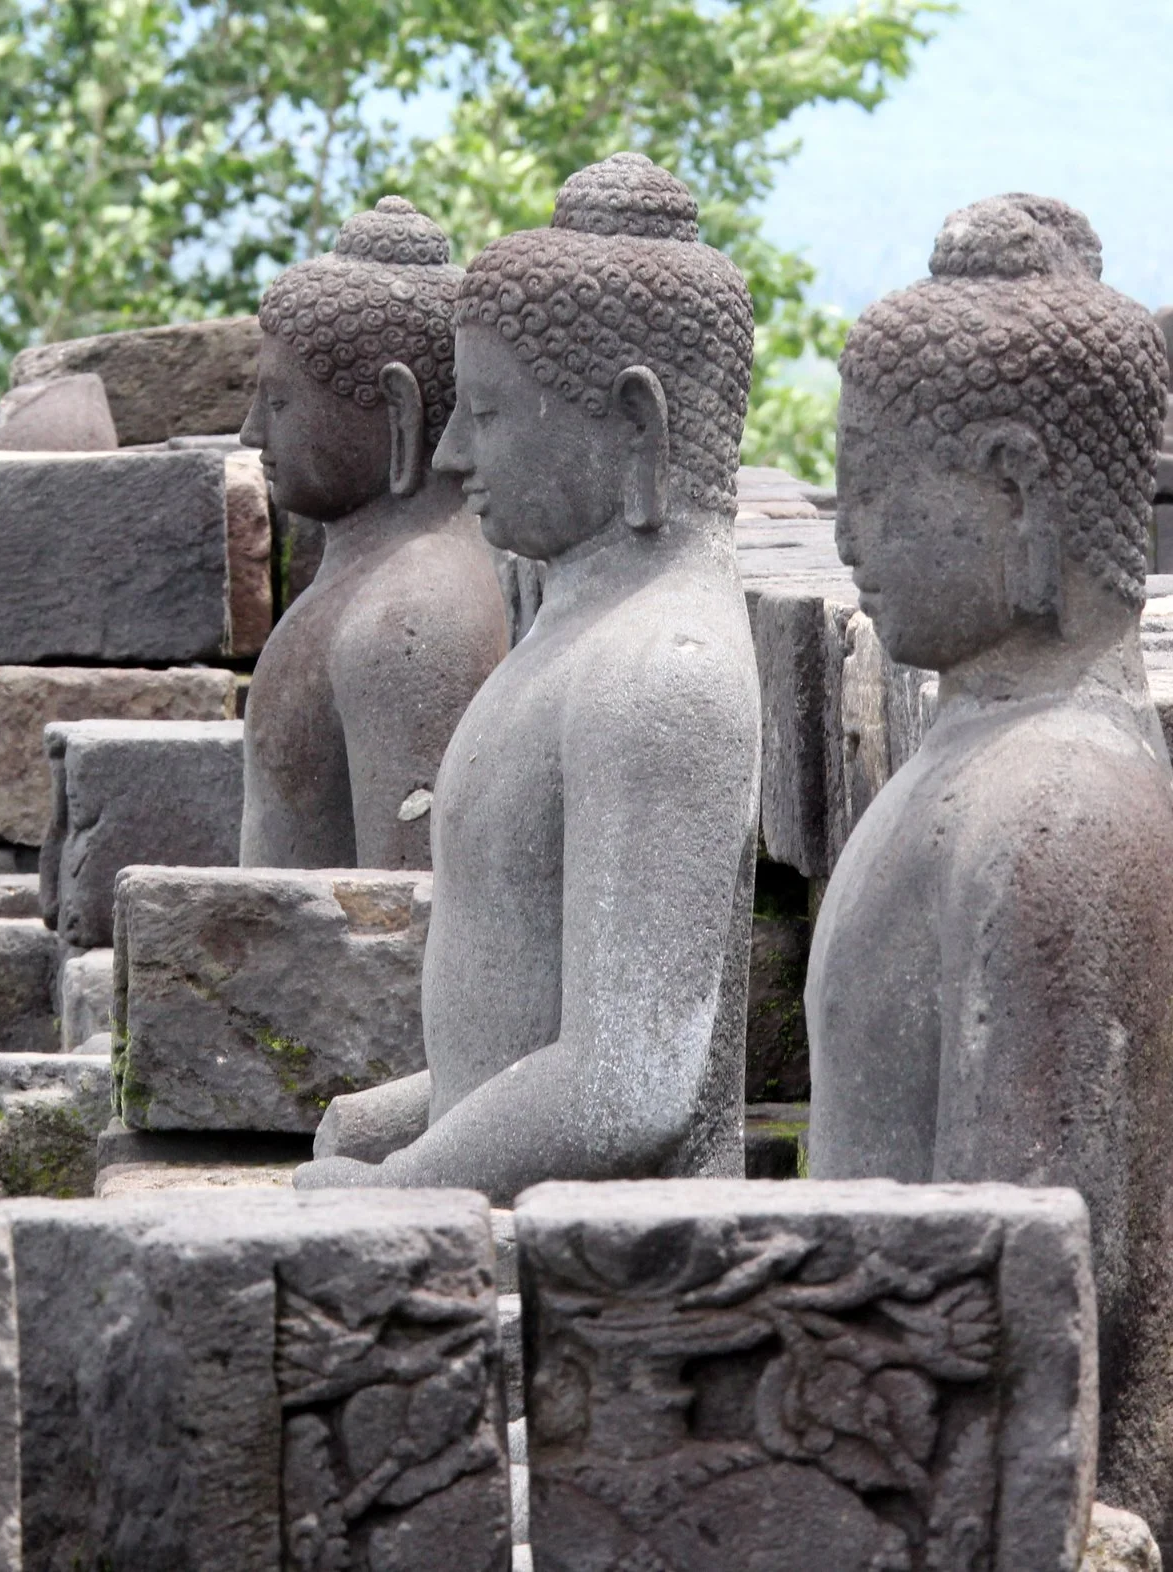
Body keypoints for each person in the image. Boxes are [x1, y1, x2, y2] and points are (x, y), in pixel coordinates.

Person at [806, 192, 1173, 1554]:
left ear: (1018, 485)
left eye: (872, 486)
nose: (842, 532)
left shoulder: (1057, 816)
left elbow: (1011, 1319)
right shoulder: (983, 747)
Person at [295, 154, 760, 1199]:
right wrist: (394, 1120)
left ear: (632, 426)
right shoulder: (575, 629)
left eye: (491, 414)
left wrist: (404, 1182)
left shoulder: (661, 675)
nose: (453, 454)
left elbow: (629, 1086)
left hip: (612, 1282)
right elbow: (521, 1034)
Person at [239, 196, 509, 870]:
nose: (252, 433)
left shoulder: (414, 618)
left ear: (399, 409)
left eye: (278, 402)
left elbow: (401, 920)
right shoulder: (372, 583)